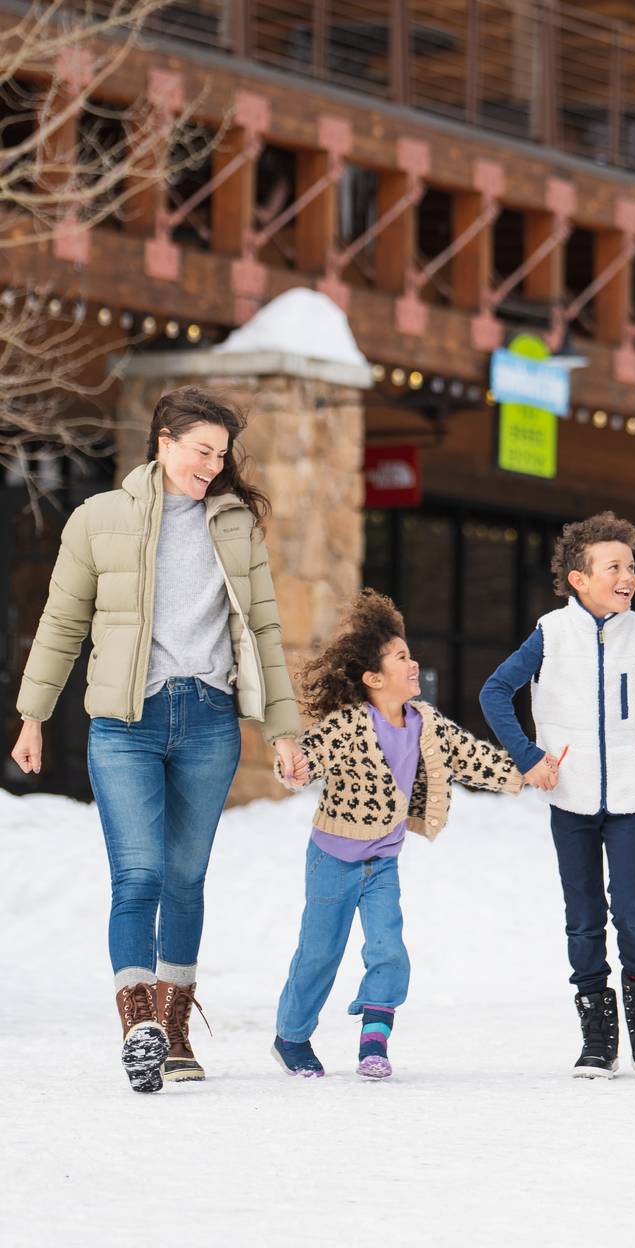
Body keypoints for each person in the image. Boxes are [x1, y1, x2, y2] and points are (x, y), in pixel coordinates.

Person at [10, 386, 305, 1093]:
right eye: (203, 451)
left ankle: (174, 1029)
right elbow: (62, 621)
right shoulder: (99, 518)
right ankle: (139, 1024)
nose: (213, 466)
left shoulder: (234, 525)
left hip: (208, 720)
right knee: (137, 876)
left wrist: (284, 731)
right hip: (125, 724)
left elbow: (262, 630)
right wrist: (33, 714)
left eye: (222, 455)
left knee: (186, 879)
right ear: (165, 441)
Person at [480, 511, 635, 1079]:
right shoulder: (550, 633)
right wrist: (529, 758)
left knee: (632, 908)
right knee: (584, 916)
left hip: (631, 798)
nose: (627, 576)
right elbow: (495, 692)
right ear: (579, 578)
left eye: (631, 567)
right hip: (569, 797)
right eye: (613, 567)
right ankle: (597, 1032)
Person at [271, 589, 536, 1079]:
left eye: (410, 655)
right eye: (400, 658)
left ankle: (374, 1039)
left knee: (388, 949)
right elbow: (312, 753)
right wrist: (295, 766)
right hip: (333, 860)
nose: (413, 664)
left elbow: (473, 758)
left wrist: (527, 772)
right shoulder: (349, 725)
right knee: (319, 954)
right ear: (373, 679)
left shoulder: (426, 724)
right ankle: (291, 1037)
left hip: (382, 864)